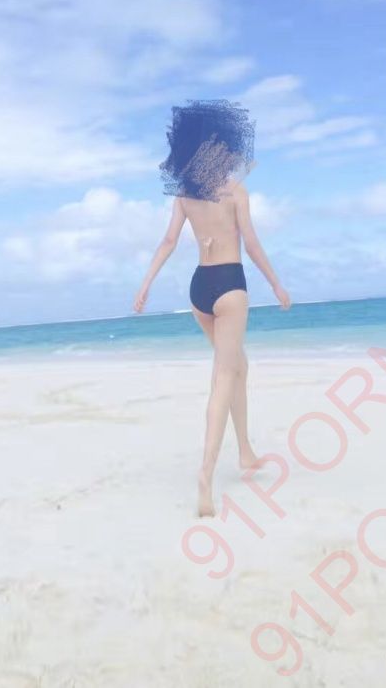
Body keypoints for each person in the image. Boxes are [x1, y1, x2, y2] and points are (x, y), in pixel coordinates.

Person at [132, 99, 291, 517]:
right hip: (229, 286)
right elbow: (251, 244)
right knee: (224, 375)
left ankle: (245, 451)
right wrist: (277, 284)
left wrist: (145, 284)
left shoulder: (185, 195)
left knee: (238, 366)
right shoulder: (236, 192)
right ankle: (205, 473)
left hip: (200, 289)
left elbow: (168, 242)